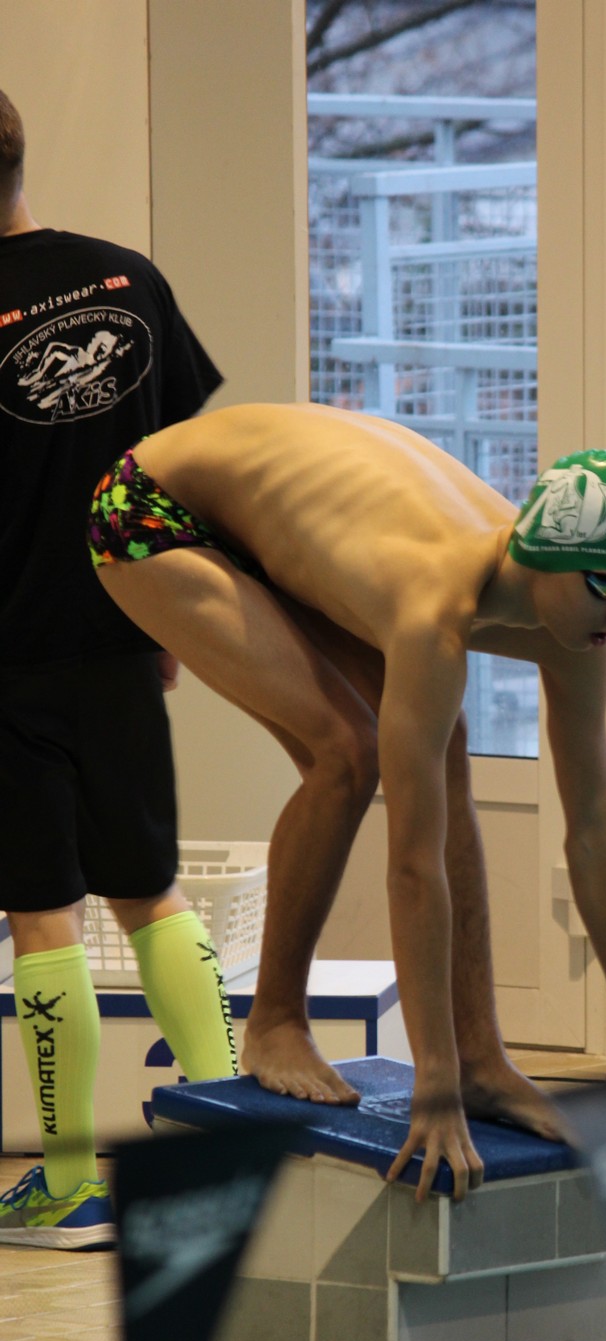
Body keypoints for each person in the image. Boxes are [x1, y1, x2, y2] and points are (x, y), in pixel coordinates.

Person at [88, 402, 606, 1201]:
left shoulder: (580, 630)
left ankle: (483, 1060)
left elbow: (595, 829)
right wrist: (431, 1085)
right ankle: (275, 1022)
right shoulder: (432, 604)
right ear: (548, 561)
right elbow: (412, 867)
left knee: (443, 740)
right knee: (346, 754)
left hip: (274, 515)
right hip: (156, 507)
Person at [0, 89, 238, 1249]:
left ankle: (69, 1184)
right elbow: (183, 456)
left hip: (8, 660)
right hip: (127, 637)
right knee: (151, 891)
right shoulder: (127, 277)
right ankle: (235, 1146)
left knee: (40, 916)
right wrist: (174, 610)